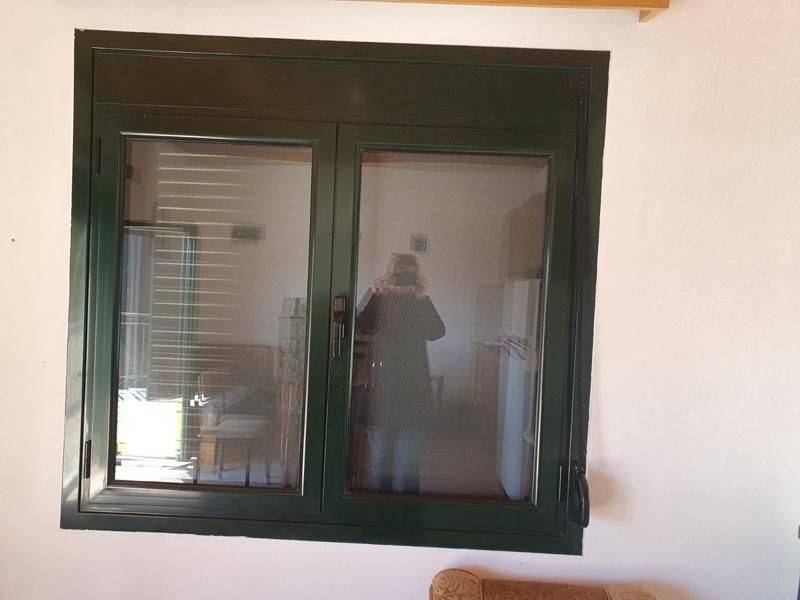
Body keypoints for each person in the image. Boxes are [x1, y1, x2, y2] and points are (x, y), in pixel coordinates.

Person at [354, 253, 445, 494]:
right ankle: (381, 513)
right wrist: (376, 294)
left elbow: (437, 331)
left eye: (409, 275)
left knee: (408, 467)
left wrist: (423, 298)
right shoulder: (380, 299)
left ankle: (406, 513)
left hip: (413, 392)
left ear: (417, 278)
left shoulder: (419, 302)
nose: (404, 280)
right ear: (390, 275)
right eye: (400, 275)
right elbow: (361, 327)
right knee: (380, 464)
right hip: (382, 392)